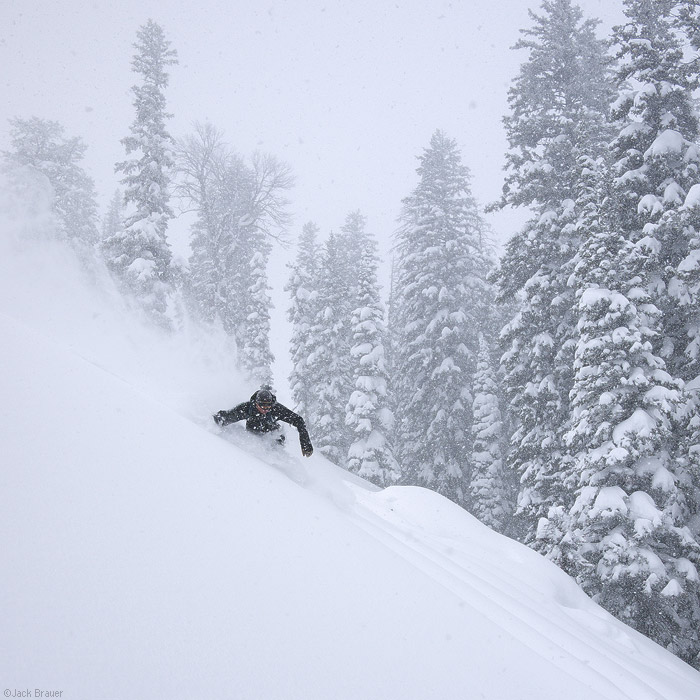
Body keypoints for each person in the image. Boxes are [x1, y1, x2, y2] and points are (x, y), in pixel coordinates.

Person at [213, 387, 314, 457]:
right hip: (254, 432)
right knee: (254, 427)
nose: (265, 409)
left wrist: (305, 443)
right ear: (256, 403)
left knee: (276, 434)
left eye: (268, 406)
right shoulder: (247, 408)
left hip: (273, 434)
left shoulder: (275, 409)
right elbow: (227, 416)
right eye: (263, 406)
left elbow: (298, 420)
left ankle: (276, 462)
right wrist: (216, 420)